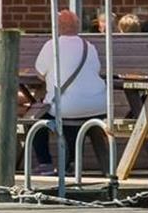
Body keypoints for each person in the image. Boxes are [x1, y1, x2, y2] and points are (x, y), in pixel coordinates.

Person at [32, 10, 109, 174]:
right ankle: (72, 163)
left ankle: (45, 163)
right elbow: (97, 70)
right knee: (71, 116)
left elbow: (39, 73)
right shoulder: (89, 47)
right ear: (77, 26)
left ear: (57, 26)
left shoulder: (52, 45)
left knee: (35, 120)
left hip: (66, 108)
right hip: (98, 107)